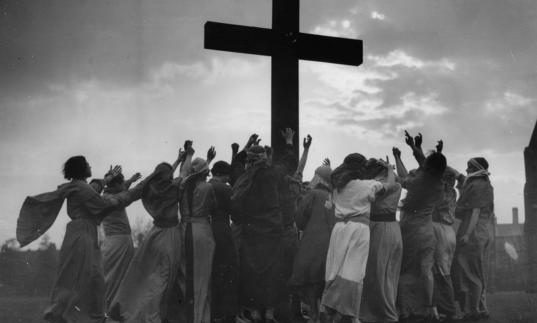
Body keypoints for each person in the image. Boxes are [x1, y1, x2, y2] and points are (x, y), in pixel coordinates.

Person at [16, 157, 143, 323]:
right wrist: (137, 191)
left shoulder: (80, 186)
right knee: (78, 279)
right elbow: (104, 203)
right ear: (82, 169)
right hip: (82, 235)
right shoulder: (81, 187)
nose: (90, 166)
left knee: (94, 279)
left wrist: (107, 180)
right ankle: (64, 316)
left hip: (86, 234)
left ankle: (92, 317)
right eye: (88, 164)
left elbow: (94, 188)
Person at [109, 143, 193, 322]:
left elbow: (127, 196)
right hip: (171, 236)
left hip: (154, 235)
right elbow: (182, 174)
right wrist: (185, 158)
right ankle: (153, 314)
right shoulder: (174, 187)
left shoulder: (147, 186)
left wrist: (178, 158)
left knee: (145, 274)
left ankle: (138, 309)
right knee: (164, 277)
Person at [321, 153, 396, 323]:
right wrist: (390, 169)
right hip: (359, 229)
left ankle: (330, 309)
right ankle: (352, 315)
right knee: (355, 272)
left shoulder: (337, 186)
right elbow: (390, 185)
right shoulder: (367, 185)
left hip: (339, 229)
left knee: (335, 269)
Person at [231, 140, 290, 323]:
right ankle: (270, 312)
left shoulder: (243, 178)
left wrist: (242, 148)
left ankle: (255, 312)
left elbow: (236, 168)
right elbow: (289, 164)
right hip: (272, 230)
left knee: (252, 271)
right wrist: (288, 143)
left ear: (249, 161)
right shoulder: (273, 174)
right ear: (265, 160)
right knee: (273, 270)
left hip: (252, 231)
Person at [394, 132, 447, 321]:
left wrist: (393, 164)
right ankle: (430, 308)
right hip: (427, 231)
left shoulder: (416, 182)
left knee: (405, 269)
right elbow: (424, 163)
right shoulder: (439, 184)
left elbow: (402, 179)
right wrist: (414, 148)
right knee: (426, 270)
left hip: (410, 228)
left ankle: (404, 310)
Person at [288, 164, 335, 323]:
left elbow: (300, 219)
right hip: (332, 243)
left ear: (319, 177)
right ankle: (322, 313)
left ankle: (314, 314)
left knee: (308, 277)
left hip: (312, 241)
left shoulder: (313, 193)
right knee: (323, 278)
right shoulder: (335, 196)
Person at [360, 158, 403, 323]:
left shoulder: (378, 186)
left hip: (379, 228)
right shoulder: (395, 185)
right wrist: (389, 169)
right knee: (389, 272)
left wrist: (389, 168)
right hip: (392, 228)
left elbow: (388, 185)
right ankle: (384, 311)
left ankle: (385, 313)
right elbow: (393, 182)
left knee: (377, 272)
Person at [452, 157, 494, 321]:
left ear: (475, 169)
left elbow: (475, 212)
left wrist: (468, 234)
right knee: (476, 271)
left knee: (472, 273)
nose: (467, 170)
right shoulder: (485, 184)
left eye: (469, 167)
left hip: (474, 232)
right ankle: (479, 309)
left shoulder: (476, 185)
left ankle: (473, 310)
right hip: (483, 231)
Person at [180, 156, 217, 323]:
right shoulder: (207, 187)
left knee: (186, 274)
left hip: (184, 229)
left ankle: (187, 316)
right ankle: (200, 317)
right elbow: (213, 207)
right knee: (202, 275)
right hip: (201, 230)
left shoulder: (182, 186)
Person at [101, 170, 142, 309]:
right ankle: (106, 311)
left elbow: (123, 188)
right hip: (116, 242)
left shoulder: (111, 194)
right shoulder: (108, 198)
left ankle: (114, 310)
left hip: (122, 240)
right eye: (121, 183)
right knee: (113, 278)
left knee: (121, 278)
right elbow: (125, 194)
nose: (124, 185)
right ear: (115, 185)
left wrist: (131, 179)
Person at [209, 160, 239, 323]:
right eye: (227, 176)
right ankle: (227, 314)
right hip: (222, 230)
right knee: (229, 270)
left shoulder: (205, 186)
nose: (228, 179)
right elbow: (235, 212)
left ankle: (213, 312)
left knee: (212, 271)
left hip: (205, 229)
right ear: (221, 174)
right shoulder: (225, 188)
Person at [431, 168, 459, 321]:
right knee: (445, 271)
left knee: (441, 272)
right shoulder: (453, 192)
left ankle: (449, 309)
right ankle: (446, 309)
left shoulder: (441, 191)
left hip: (439, 229)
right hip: (449, 231)